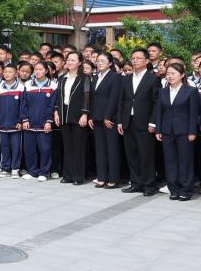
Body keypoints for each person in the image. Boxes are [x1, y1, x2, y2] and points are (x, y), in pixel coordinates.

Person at [153, 63, 199, 201]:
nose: (170, 76)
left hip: (184, 131)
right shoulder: (163, 91)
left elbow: (193, 114)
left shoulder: (190, 91)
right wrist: (158, 129)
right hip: (167, 131)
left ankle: (186, 190)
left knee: (185, 161)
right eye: (168, 74)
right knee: (170, 161)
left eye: (173, 73)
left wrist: (192, 131)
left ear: (182, 75)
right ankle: (173, 189)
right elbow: (159, 112)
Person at [119, 48, 160, 196]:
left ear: (147, 61)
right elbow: (122, 101)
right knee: (132, 154)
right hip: (128, 121)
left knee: (146, 155)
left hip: (145, 122)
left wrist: (153, 122)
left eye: (138, 58)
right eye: (133, 58)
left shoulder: (153, 79)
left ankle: (149, 184)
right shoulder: (127, 78)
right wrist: (120, 121)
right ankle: (135, 183)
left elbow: (157, 103)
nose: (134, 61)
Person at [55, 53, 91, 185]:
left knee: (79, 147)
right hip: (64, 115)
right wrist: (56, 112)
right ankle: (68, 175)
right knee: (67, 146)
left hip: (78, 115)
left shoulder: (84, 77)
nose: (69, 62)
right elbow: (58, 97)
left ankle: (78, 176)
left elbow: (87, 96)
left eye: (73, 60)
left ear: (80, 62)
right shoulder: (62, 78)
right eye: (68, 60)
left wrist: (85, 113)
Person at [89, 51, 121, 189]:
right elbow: (92, 98)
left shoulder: (115, 77)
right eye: (98, 60)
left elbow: (114, 98)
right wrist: (91, 116)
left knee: (112, 149)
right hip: (96, 118)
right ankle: (102, 177)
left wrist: (108, 116)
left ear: (110, 63)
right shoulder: (96, 77)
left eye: (103, 61)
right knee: (100, 149)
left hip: (109, 119)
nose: (100, 63)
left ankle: (113, 179)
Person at [0, 64, 27, 179]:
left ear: (16, 74)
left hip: (15, 124)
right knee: (4, 147)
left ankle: (15, 168)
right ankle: (5, 168)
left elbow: (23, 106)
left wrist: (20, 121)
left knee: (16, 147)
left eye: (10, 72)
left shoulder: (21, 88)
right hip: (2, 124)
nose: (7, 74)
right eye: (6, 72)